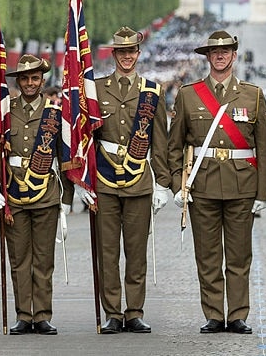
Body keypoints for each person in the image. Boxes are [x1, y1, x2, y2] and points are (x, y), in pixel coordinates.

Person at [167, 30, 266, 335]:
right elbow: (174, 146)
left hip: (242, 186)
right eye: (215, 52)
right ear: (208, 57)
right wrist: (177, 185)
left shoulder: (252, 95)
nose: (220, 56)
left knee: (239, 256)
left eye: (225, 51)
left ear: (234, 55)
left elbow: (264, 148)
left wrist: (263, 192)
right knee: (208, 255)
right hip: (203, 186)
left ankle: (238, 314)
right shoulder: (189, 95)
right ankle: (214, 313)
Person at [89, 27, 171, 334]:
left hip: (138, 181)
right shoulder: (95, 89)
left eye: (132, 51)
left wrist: (162, 182)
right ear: (114, 55)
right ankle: (112, 312)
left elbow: (159, 141)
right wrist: (84, 182)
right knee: (108, 252)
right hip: (105, 180)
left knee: (136, 251)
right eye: (121, 52)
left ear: (138, 53)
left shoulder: (152, 90)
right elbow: (87, 139)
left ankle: (134, 310)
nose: (127, 57)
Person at [0, 54, 73, 335]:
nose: (30, 83)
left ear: (42, 80)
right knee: (19, 259)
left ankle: (43, 315)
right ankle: (24, 315)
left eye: (35, 78)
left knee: (43, 259)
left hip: (46, 194)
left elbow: (66, 159)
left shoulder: (55, 114)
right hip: (14, 194)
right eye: (24, 78)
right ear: (17, 81)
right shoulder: (5, 113)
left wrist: (67, 201)